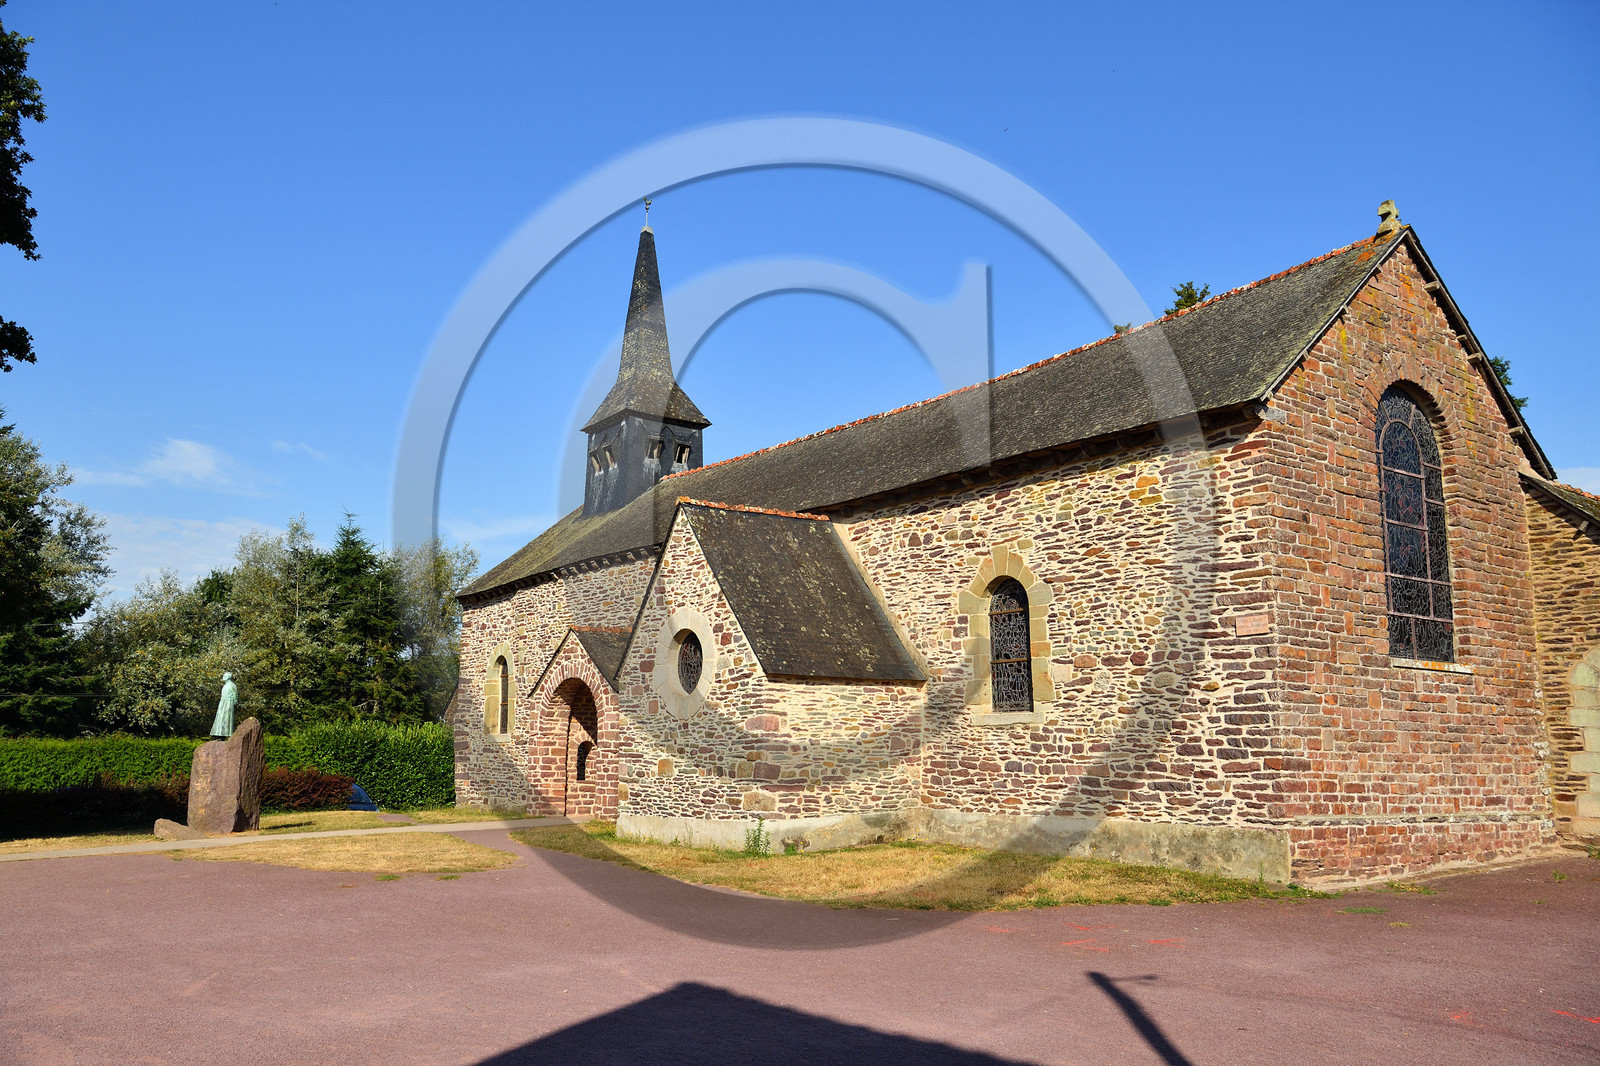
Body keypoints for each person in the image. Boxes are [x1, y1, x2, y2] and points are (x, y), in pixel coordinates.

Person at [210, 672, 238, 738]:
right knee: (220, 718)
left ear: (228, 677)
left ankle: (225, 734)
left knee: (226, 718)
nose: (223, 676)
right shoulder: (225, 685)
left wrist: (232, 704)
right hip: (222, 702)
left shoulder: (232, 685)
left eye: (224, 675)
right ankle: (219, 734)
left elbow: (235, 697)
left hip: (228, 703)